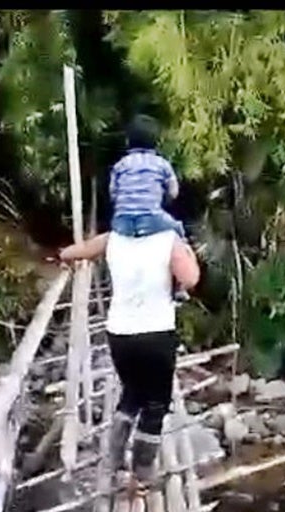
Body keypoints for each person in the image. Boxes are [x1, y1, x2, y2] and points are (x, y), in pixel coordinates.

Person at [58, 227, 200, 484]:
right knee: (156, 403)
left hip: (120, 334)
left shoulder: (113, 238)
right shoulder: (169, 239)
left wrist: (63, 259)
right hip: (156, 333)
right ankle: (143, 471)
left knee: (133, 392)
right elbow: (189, 279)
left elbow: (71, 253)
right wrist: (187, 253)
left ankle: (113, 458)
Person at [109, 114, 189, 303]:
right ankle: (179, 285)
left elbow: (113, 193)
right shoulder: (162, 164)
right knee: (178, 230)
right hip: (151, 217)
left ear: (128, 141)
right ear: (156, 142)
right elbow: (174, 191)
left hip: (121, 222)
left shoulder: (120, 165)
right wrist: (164, 200)